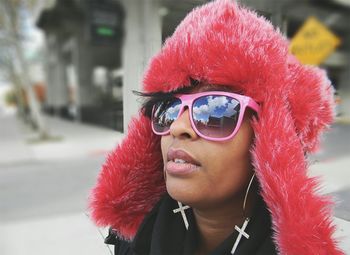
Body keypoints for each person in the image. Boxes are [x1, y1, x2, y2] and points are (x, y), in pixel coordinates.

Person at [89, 0, 344, 254]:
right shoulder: (135, 239)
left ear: (270, 141)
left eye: (216, 110)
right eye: (168, 107)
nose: (177, 127)